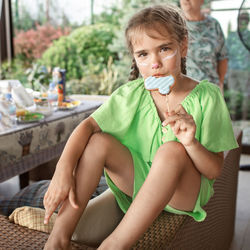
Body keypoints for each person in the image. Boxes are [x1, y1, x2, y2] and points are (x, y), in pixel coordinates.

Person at [43, 5, 238, 250]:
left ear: (184, 46)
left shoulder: (207, 96)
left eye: (164, 49)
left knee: (172, 150)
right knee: (97, 141)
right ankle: (57, 240)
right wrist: (63, 170)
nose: (154, 63)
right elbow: (88, 126)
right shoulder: (130, 94)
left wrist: (190, 143)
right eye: (143, 54)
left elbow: (213, 171)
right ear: (135, 58)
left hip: (184, 192)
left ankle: (114, 245)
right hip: (138, 182)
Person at [179, 0, 228, 94]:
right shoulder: (175, 25)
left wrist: (220, 84)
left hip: (211, 89)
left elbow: (223, 57)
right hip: (184, 92)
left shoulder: (214, 24)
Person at [226, 11, 250, 120]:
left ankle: (243, 119)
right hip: (233, 69)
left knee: (245, 95)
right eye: (242, 19)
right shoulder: (231, 35)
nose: (243, 21)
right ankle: (234, 119)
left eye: (245, 19)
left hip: (244, 70)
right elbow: (225, 53)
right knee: (234, 95)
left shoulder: (248, 35)